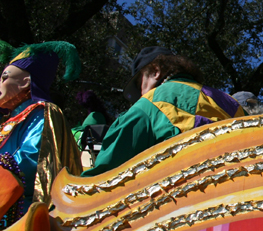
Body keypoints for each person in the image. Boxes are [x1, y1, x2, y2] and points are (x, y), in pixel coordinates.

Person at [84, 47, 245, 176]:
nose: (141, 94)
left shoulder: (150, 103)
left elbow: (106, 175)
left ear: (155, 72)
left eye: (141, 83)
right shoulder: (231, 102)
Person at [0, 41, 82, 219]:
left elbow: (32, 159)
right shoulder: (9, 121)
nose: (0, 84)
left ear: (25, 82)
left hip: (19, 213)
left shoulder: (44, 112)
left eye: (4, 78)